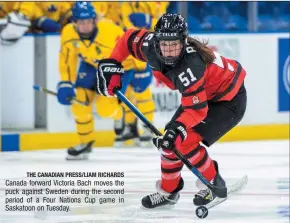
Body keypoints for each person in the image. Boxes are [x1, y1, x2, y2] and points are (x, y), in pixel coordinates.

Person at [95, 13, 247, 208]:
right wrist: (113, 63)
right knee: (170, 141)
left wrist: (178, 129)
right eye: (164, 44)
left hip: (228, 101)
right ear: (156, 40)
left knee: (183, 141)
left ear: (184, 42)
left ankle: (214, 183)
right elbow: (127, 39)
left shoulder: (191, 66)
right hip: (204, 96)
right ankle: (168, 192)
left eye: (174, 44)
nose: (169, 51)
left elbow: (197, 110)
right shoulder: (150, 46)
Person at [58, 2, 147, 159]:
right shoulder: (68, 33)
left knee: (105, 108)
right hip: (91, 65)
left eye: (88, 22)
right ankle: (85, 143)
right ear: (74, 22)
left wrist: (141, 70)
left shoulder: (110, 30)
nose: (84, 26)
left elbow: (130, 44)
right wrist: (66, 82)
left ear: (94, 20)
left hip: (119, 67)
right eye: (80, 22)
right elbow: (67, 59)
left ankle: (120, 115)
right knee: (79, 103)